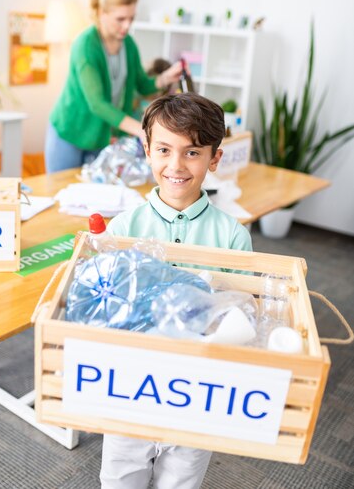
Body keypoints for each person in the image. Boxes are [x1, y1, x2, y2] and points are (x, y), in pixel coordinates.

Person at [99, 93, 252, 489]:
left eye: (193, 152)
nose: (176, 165)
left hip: (196, 389)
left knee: (182, 479)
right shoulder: (122, 230)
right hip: (130, 383)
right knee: (120, 477)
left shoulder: (233, 237)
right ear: (147, 150)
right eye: (164, 150)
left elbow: (241, 312)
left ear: (214, 159)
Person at [45, 0, 183, 172]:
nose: (127, 26)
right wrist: (141, 131)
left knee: (94, 196)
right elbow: (97, 103)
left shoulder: (128, 45)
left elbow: (142, 85)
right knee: (59, 192)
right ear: (102, 13)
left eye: (131, 18)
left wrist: (166, 77)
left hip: (98, 136)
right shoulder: (85, 46)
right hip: (70, 131)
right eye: (120, 19)